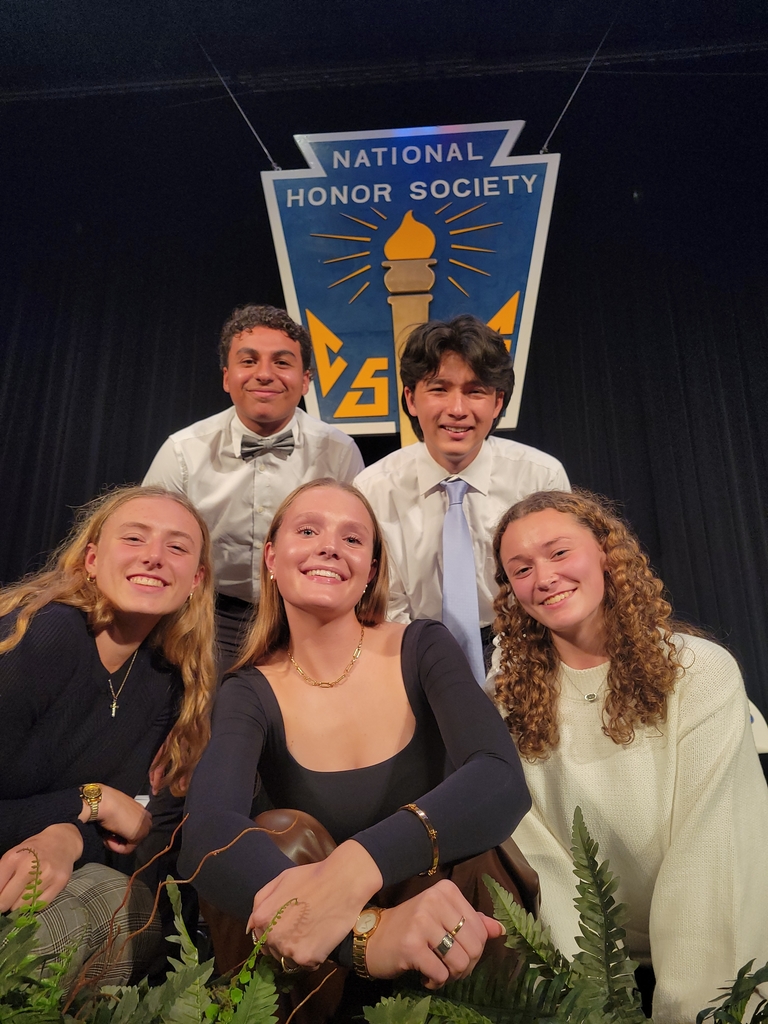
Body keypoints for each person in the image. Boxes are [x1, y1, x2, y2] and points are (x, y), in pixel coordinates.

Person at [179, 479, 532, 1014]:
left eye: (352, 539)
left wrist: (354, 869)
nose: (330, 546)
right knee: (272, 840)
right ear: (272, 556)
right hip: (319, 968)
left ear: (370, 571)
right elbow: (206, 831)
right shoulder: (248, 689)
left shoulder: (422, 645)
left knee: (479, 850)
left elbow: (501, 779)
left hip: (444, 937)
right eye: (308, 530)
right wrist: (364, 934)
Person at [491, 488, 768, 1024]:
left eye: (559, 553)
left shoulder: (700, 673)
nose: (544, 577)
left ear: (605, 553)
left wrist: (693, 1010)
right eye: (520, 568)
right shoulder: (504, 700)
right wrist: (592, 999)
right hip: (594, 955)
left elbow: (711, 850)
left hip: (712, 945)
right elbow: (543, 858)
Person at [0, 485, 216, 986]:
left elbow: (137, 839)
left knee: (90, 909)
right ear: (92, 560)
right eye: (135, 538)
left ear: (196, 580)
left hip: (66, 880)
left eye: (177, 547)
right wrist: (86, 802)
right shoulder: (41, 636)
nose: (155, 558)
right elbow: (107, 811)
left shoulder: (168, 680)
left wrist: (68, 835)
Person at [143, 304, 364, 671]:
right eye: (249, 361)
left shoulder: (339, 452)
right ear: (227, 377)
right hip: (208, 616)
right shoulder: (182, 451)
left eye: (281, 362)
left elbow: (358, 547)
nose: (264, 374)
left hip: (307, 615)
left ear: (306, 379)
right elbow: (150, 546)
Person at [355, 314, 568, 681]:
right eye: (439, 389)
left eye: (475, 391)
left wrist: (508, 667)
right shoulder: (373, 489)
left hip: (528, 644)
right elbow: (385, 605)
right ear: (410, 398)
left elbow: (556, 586)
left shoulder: (540, 477)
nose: (457, 409)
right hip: (411, 651)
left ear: (498, 401)